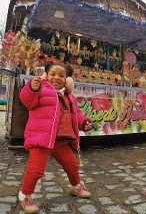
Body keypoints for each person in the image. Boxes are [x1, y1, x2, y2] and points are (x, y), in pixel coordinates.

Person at [18, 63, 92, 214]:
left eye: (61, 75)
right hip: (41, 139)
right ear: (46, 75)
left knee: (72, 166)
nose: (57, 77)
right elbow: (26, 100)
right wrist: (31, 87)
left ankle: (76, 186)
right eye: (53, 74)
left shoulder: (68, 96)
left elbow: (76, 113)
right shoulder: (40, 89)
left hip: (61, 140)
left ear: (67, 79)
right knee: (35, 170)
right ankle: (25, 196)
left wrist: (84, 122)